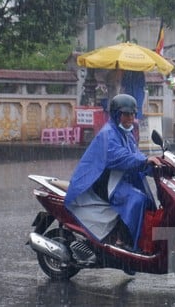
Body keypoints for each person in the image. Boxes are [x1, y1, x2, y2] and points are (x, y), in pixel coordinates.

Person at [64, 94, 160, 252]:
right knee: (137, 200)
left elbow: (135, 154)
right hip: (104, 183)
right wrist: (145, 161)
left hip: (118, 180)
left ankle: (140, 240)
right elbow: (120, 158)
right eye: (126, 114)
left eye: (133, 114)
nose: (130, 118)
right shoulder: (108, 134)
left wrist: (156, 165)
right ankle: (123, 241)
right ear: (116, 114)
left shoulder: (126, 133)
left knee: (148, 200)